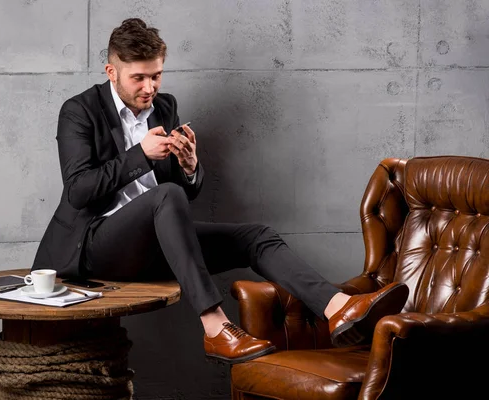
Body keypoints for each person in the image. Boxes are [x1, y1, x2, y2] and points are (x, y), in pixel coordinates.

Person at [32, 18, 409, 364]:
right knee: (166, 195)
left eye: (157, 76)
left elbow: (182, 196)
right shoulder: (79, 111)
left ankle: (338, 307)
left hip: (155, 243)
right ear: (111, 71)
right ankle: (215, 328)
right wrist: (140, 155)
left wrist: (190, 167)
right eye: (139, 78)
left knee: (256, 235)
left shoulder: (165, 106)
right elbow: (79, 191)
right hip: (94, 248)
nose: (150, 88)